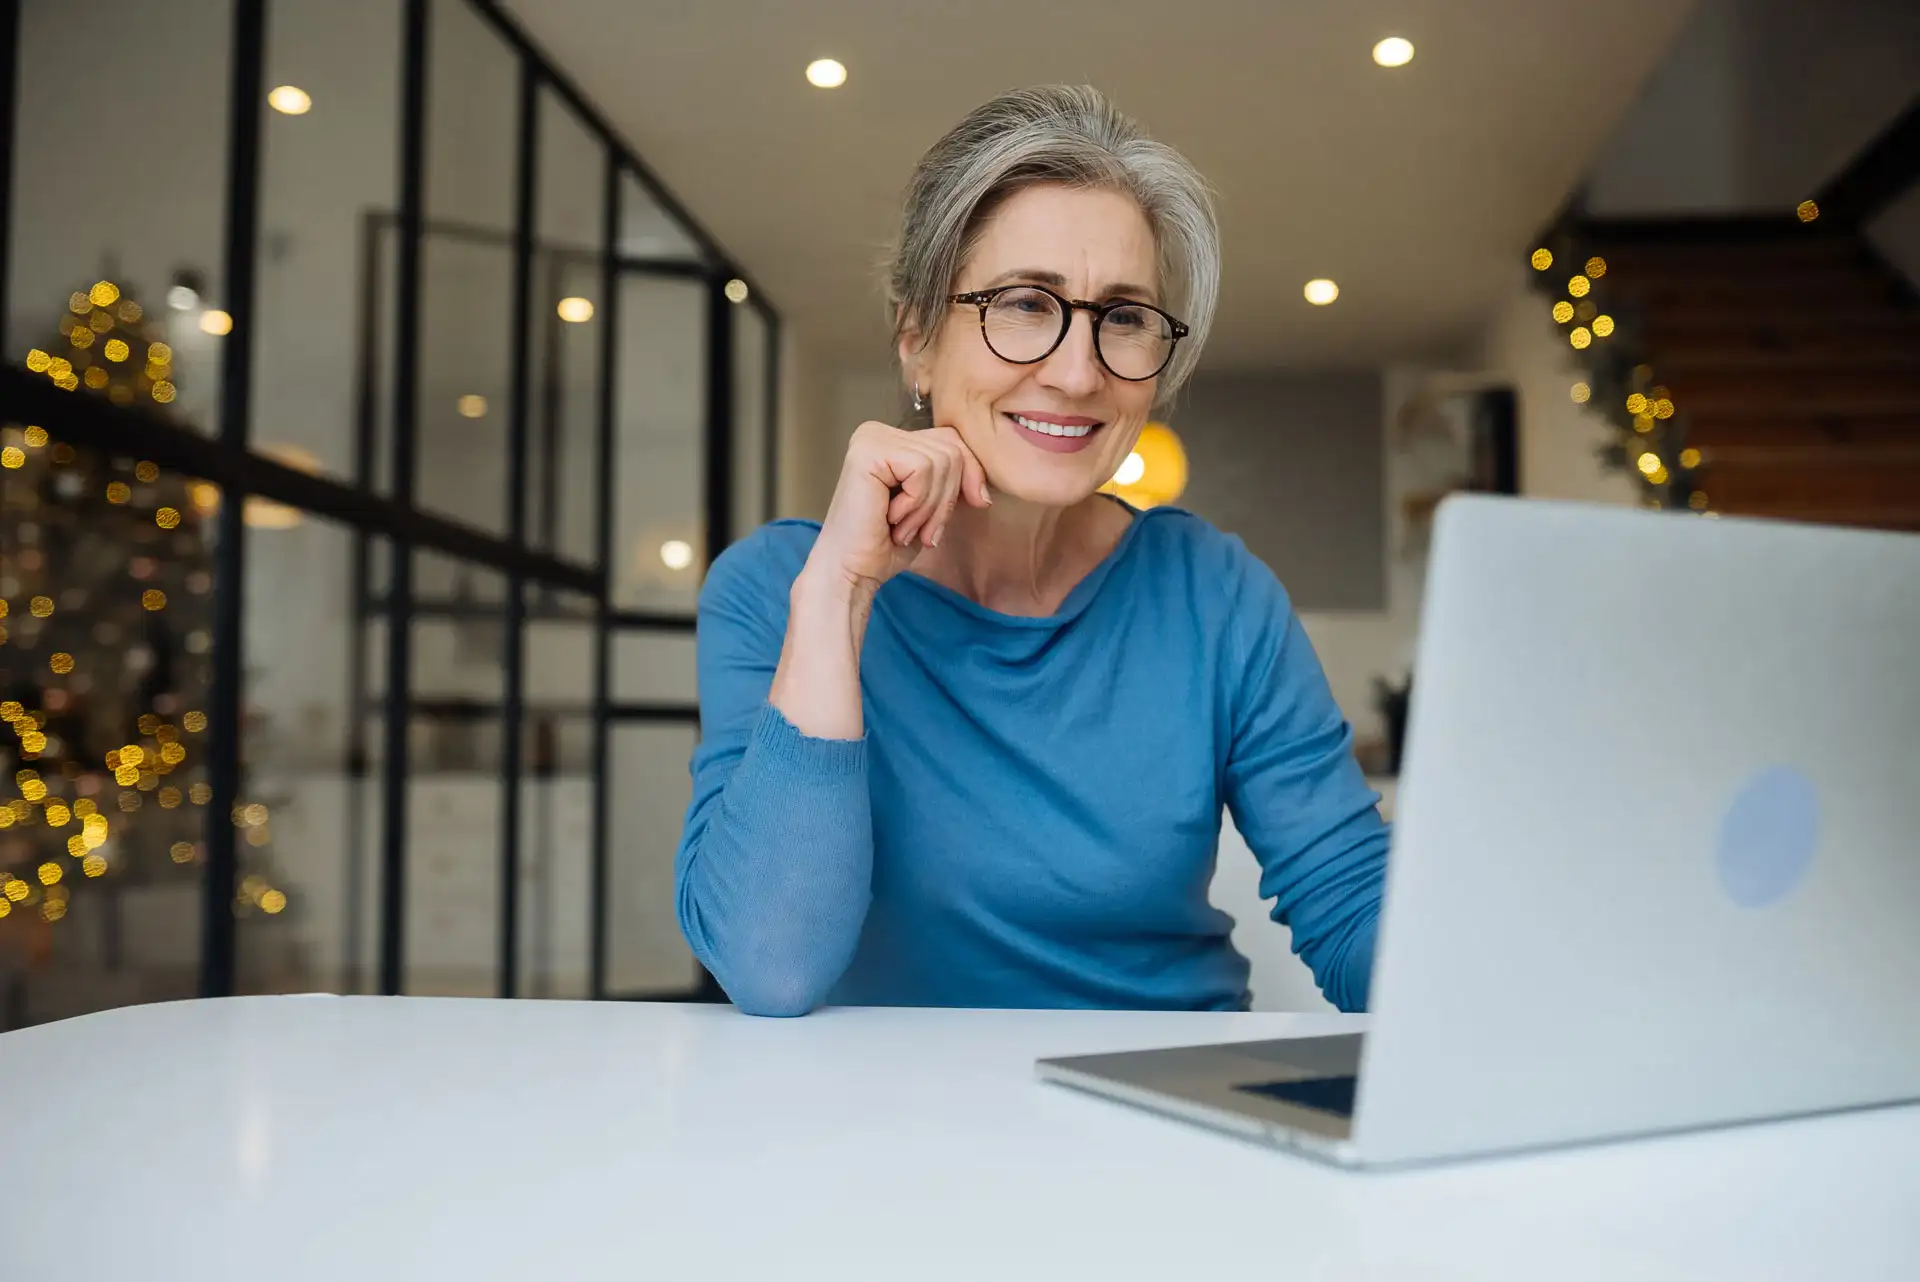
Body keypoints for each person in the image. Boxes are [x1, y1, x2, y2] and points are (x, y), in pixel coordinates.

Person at [674, 85, 1387, 1017]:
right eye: (1024, 303)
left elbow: (1355, 908)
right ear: (916, 340)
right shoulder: (777, 590)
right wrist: (841, 597)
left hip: (1167, 1126)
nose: (1079, 372)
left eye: (1124, 316)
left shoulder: (1217, 595)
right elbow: (770, 966)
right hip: (872, 1136)